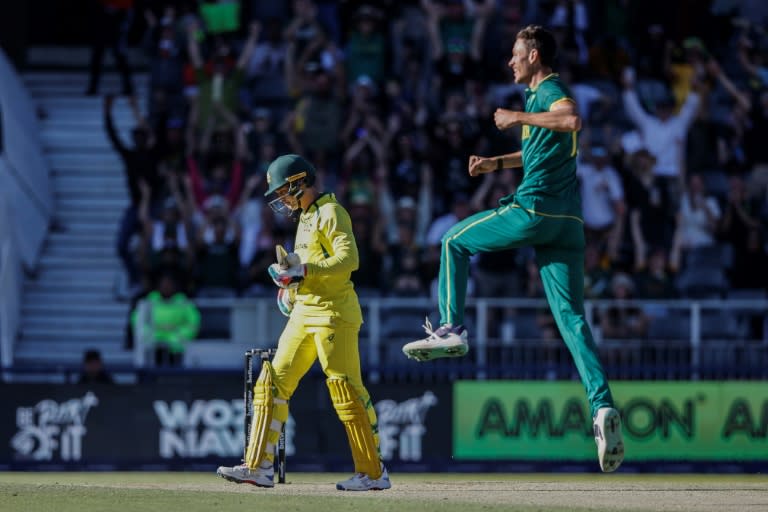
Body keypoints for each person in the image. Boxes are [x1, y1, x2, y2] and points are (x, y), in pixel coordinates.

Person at [401, 25, 624, 473]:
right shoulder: (536, 100)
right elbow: (542, 151)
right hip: (567, 223)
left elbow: (571, 120)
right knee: (572, 320)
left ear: (535, 55)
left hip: (535, 210)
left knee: (452, 241)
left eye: (516, 54)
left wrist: (518, 118)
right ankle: (601, 408)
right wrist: (495, 163)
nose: (510, 62)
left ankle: (451, 329)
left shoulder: (551, 90)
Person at [216, 154, 390, 491]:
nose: (281, 199)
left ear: (300, 182)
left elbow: (349, 259)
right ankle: (258, 467)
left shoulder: (331, 212)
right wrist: (290, 289)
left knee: (344, 388)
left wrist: (305, 271)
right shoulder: (306, 217)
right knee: (271, 382)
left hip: (334, 313)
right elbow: (306, 267)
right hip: (304, 312)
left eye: (283, 191)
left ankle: (372, 473)